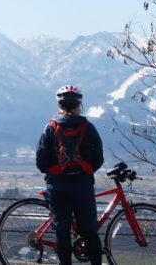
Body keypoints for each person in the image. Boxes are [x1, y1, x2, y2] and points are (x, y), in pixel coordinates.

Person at [36, 85, 104, 265]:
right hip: (82, 186)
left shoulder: (50, 128)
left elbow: (41, 161)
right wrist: (85, 170)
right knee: (89, 231)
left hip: (58, 187)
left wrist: (54, 171)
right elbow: (98, 159)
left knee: (62, 230)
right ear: (79, 105)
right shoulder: (88, 127)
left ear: (59, 105)